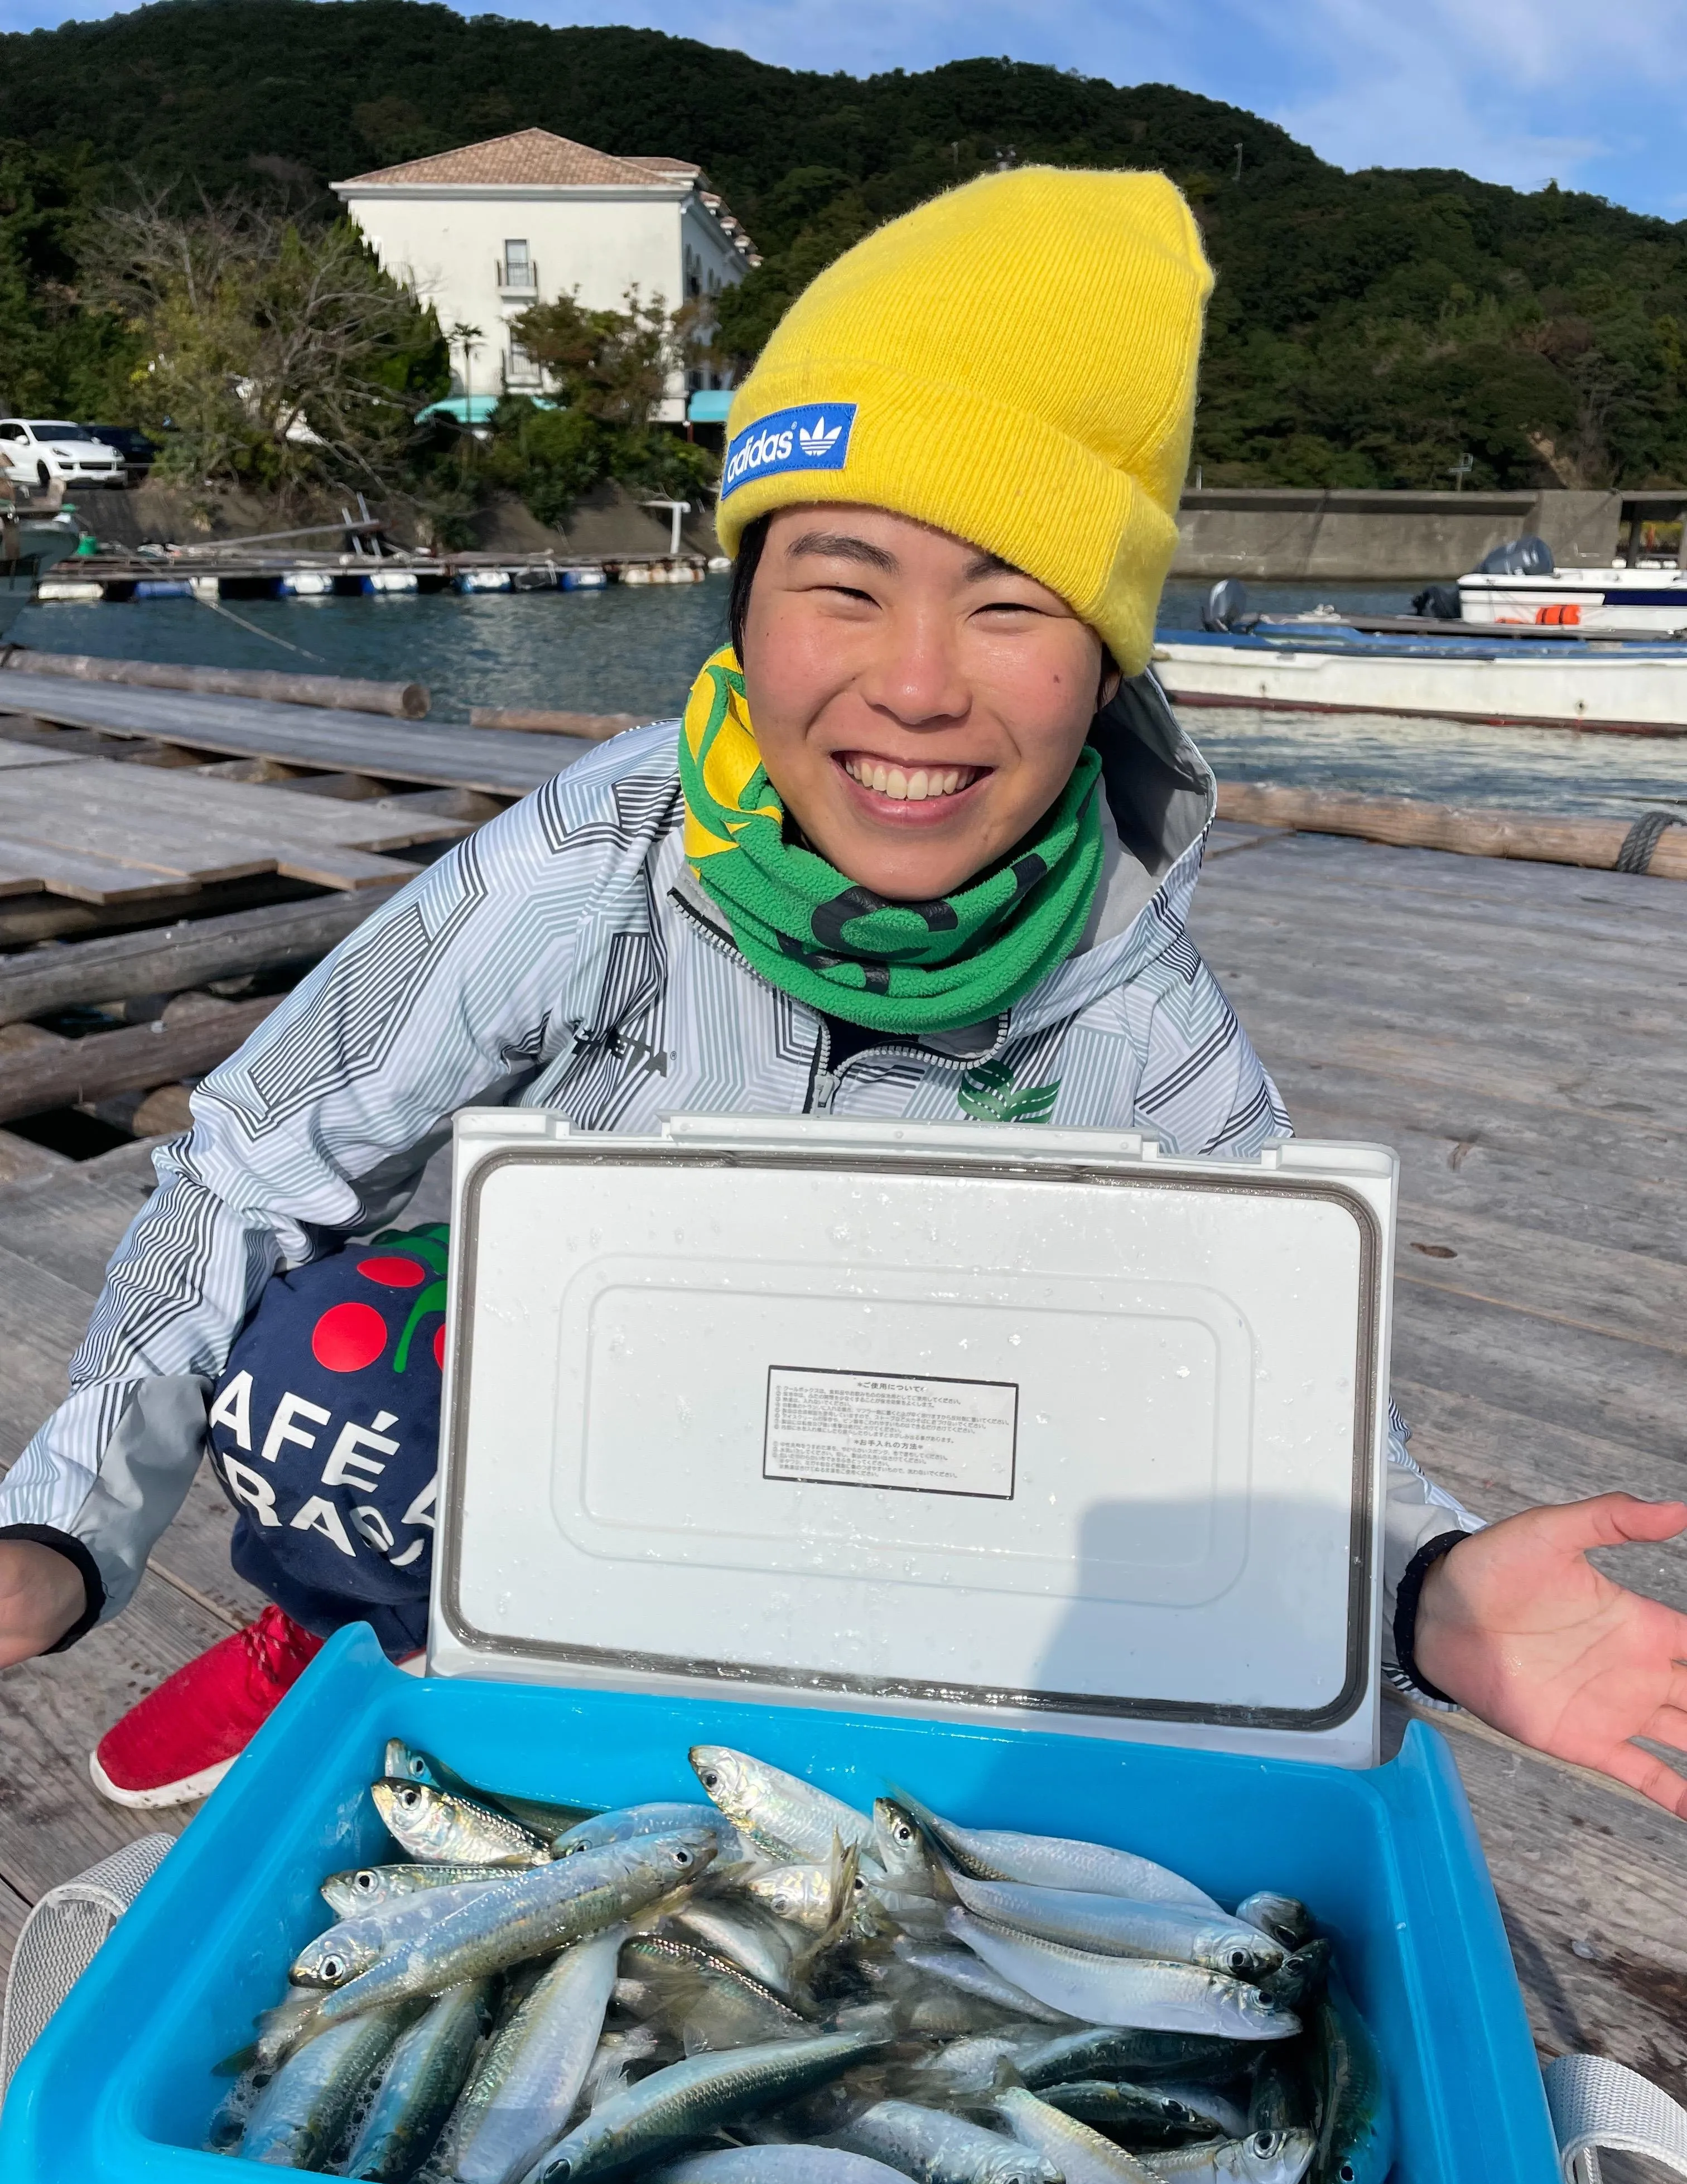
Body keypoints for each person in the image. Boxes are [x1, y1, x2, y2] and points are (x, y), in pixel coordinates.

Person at [2, 168, 1685, 1816]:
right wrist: (65, 1524)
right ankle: (338, 1626)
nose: (919, 687)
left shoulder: (1145, 1014)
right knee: (332, 1365)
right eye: (847, 584)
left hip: (910, 1467)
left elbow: (1281, 1391)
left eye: (1016, 601)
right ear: (747, 610)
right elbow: (254, 1163)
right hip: (582, 1407)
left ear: (1106, 663)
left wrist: (1424, 1589)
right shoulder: (602, 843)